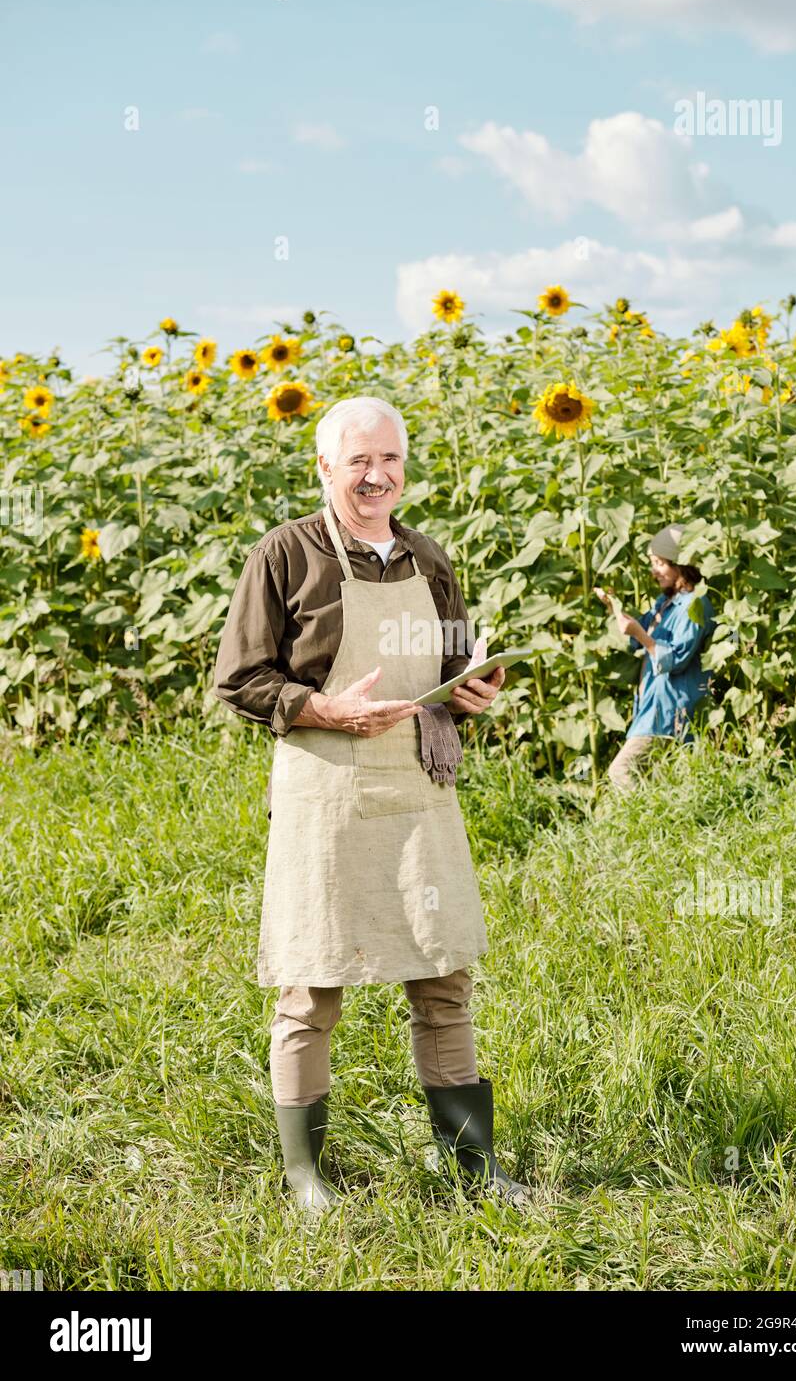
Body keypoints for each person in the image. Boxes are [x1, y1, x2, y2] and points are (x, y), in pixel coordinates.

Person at [213, 395, 531, 1214]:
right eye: (358, 461)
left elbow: (453, 664)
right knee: (312, 981)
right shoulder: (284, 555)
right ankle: (306, 1176)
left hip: (419, 789)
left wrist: (470, 696)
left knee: (443, 972)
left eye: (389, 459)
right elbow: (241, 680)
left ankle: (471, 1166)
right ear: (325, 468)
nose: (376, 476)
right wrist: (327, 709)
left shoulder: (428, 558)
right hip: (327, 788)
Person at [594, 524, 715, 793]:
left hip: (671, 709)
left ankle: (644, 821)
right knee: (658, 782)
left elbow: (676, 659)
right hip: (652, 706)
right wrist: (615, 609)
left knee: (621, 771)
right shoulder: (665, 601)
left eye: (660, 563)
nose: (654, 571)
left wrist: (640, 632)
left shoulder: (696, 604)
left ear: (680, 565)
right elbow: (639, 637)